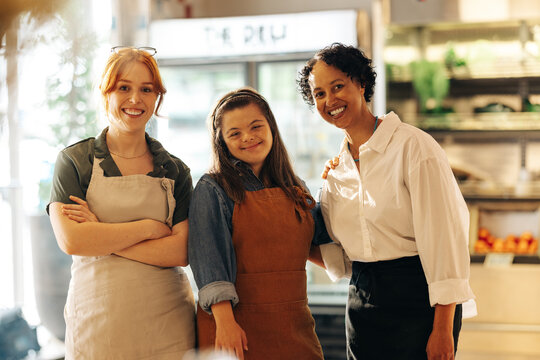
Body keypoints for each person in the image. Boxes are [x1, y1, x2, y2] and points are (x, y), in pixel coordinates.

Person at [297, 43, 476, 360]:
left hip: (419, 302)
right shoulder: (336, 172)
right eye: (319, 94)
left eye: (338, 86)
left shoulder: (413, 147)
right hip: (362, 307)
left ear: (361, 83)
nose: (330, 101)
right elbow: (341, 259)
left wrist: (443, 329)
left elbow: (446, 240)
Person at [47, 46, 195, 359]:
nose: (135, 99)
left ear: (157, 97)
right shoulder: (74, 161)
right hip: (97, 324)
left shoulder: (175, 170)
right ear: (105, 93)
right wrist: (148, 228)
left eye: (146, 89)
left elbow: (180, 252)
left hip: (168, 325)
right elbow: (73, 240)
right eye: (123, 88)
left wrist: (100, 233)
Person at [187, 87, 330, 360]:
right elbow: (209, 260)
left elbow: (318, 243)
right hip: (235, 328)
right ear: (222, 142)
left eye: (256, 127)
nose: (248, 138)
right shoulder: (213, 188)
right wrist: (226, 324)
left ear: (271, 128)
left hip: (294, 326)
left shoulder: (294, 187)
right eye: (235, 133)